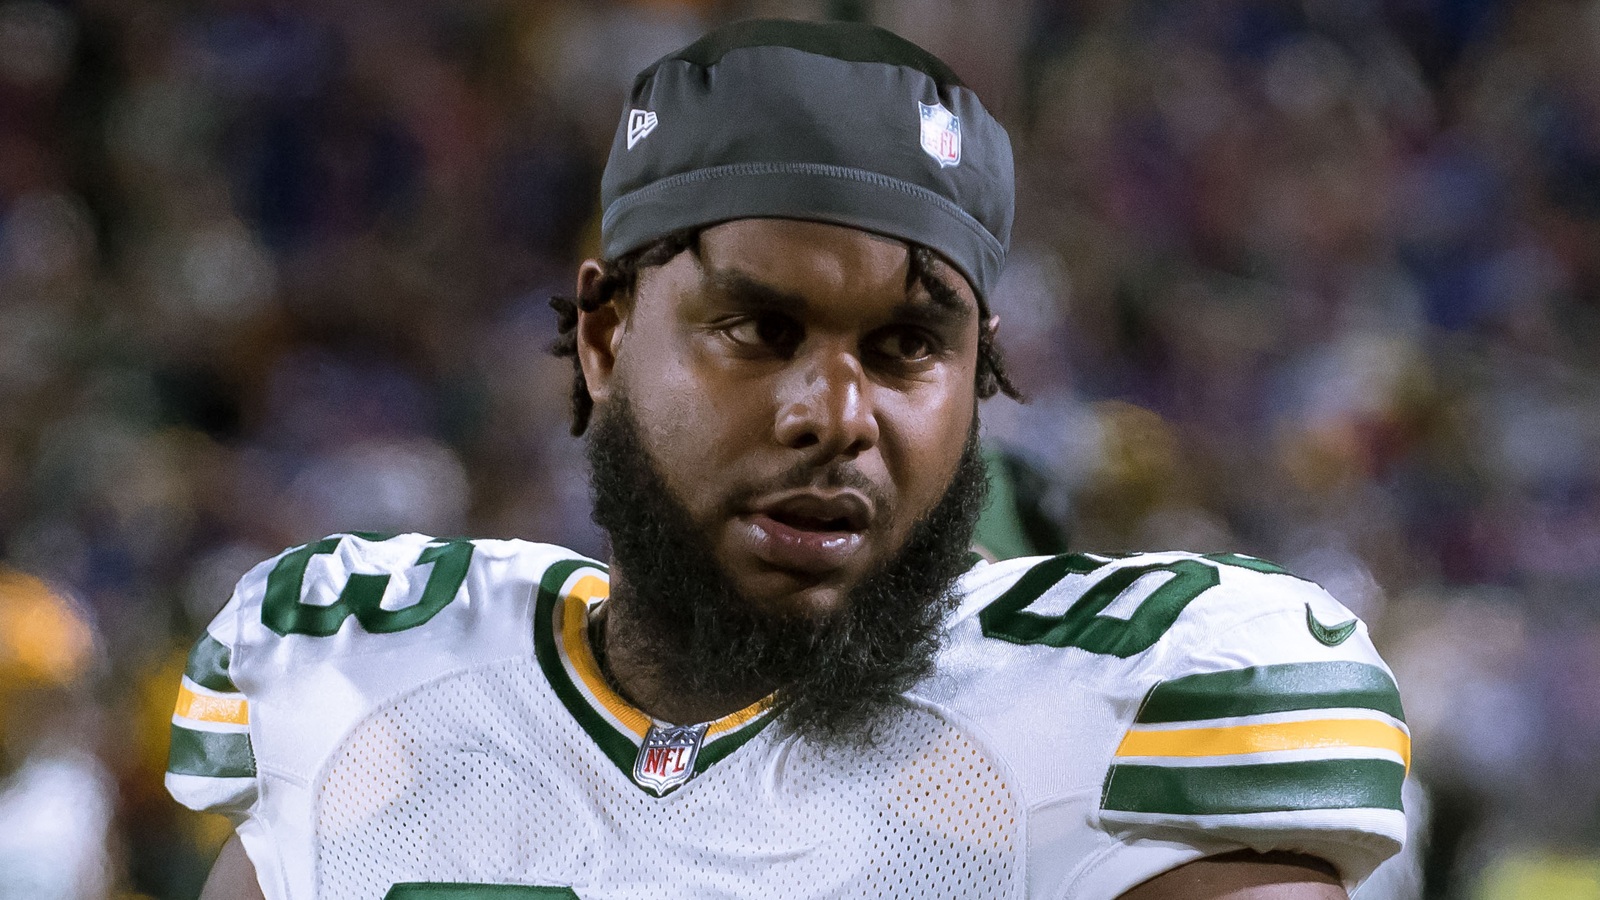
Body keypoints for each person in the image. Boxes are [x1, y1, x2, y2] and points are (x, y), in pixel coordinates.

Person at [168, 19, 1409, 899]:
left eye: (908, 345)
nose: (835, 412)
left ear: (978, 375)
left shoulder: (1134, 713)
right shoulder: (353, 672)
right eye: (759, 331)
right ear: (604, 338)